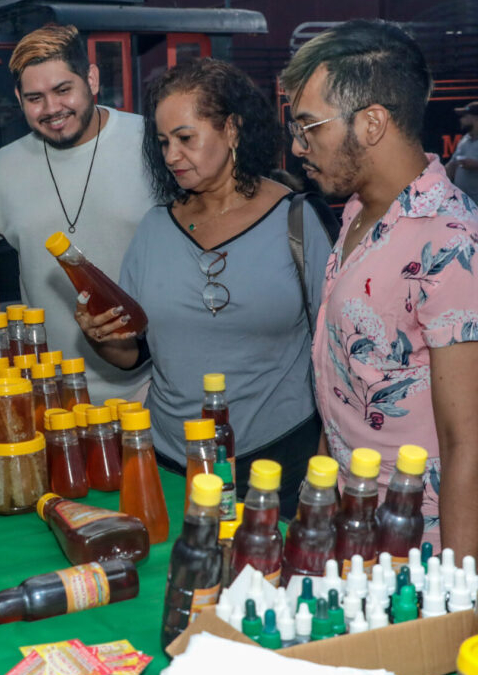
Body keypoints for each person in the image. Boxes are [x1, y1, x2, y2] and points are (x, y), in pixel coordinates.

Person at [279, 20, 478, 568]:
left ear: (371, 124)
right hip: (373, 524)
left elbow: (467, 445)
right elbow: (341, 387)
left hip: (449, 544)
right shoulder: (360, 213)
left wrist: (455, 606)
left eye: (309, 126)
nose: (297, 146)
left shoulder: (453, 245)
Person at [74, 58, 333, 517]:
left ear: (232, 129)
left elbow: (339, 352)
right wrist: (102, 339)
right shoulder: (155, 228)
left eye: (185, 138)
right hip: (171, 465)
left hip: (280, 464)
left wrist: (328, 461)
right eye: (163, 142)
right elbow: (135, 354)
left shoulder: (300, 220)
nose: (171, 155)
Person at [0, 24, 155, 402]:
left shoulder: (152, 145)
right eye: (35, 98)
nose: (52, 109)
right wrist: (0, 343)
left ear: (91, 79)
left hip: (155, 387)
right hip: (53, 395)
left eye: (63, 90)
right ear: (18, 98)